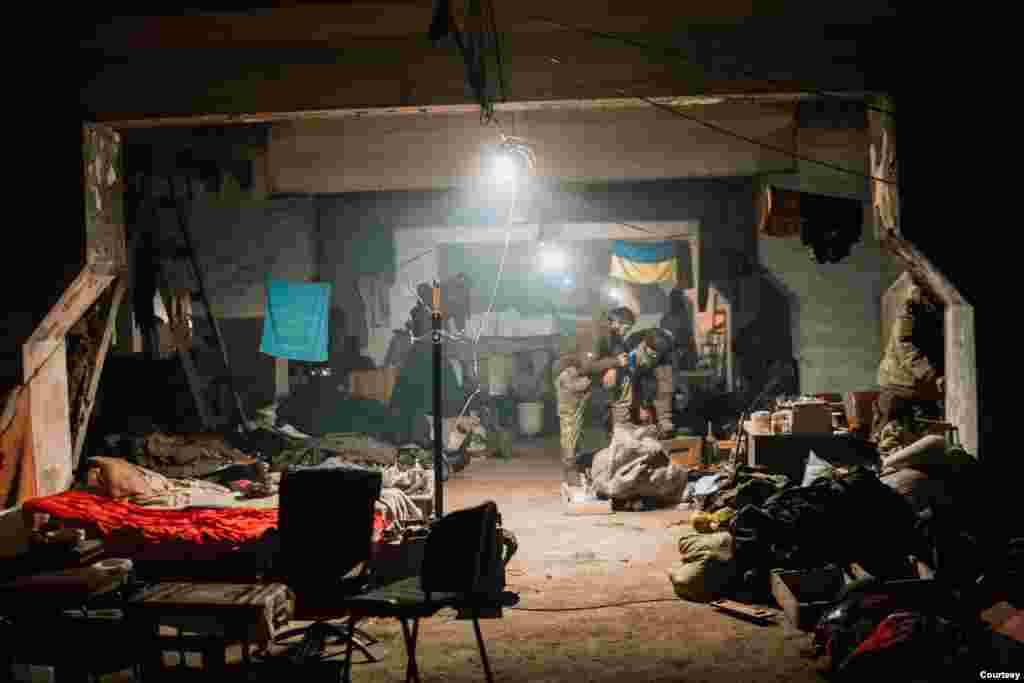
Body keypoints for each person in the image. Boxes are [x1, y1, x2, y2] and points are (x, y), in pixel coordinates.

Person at [871, 278, 945, 456]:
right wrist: (932, 374)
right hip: (897, 384)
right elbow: (905, 346)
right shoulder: (909, 312)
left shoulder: (937, 312)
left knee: (929, 440)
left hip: (924, 388)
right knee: (885, 439)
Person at [579, 306, 634, 435]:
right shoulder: (595, 334)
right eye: (626, 328)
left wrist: (615, 367)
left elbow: (620, 354)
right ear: (616, 322)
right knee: (572, 431)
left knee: (623, 381)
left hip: (596, 379)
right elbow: (586, 367)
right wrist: (615, 362)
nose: (626, 333)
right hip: (573, 376)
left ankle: (617, 432)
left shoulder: (615, 334)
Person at [555, 353, 594, 488]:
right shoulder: (565, 377)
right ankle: (571, 477)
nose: (577, 371)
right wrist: (590, 376)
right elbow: (578, 387)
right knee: (569, 445)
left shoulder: (568, 376)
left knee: (573, 444)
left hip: (573, 415)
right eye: (575, 368)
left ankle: (572, 474)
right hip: (568, 416)